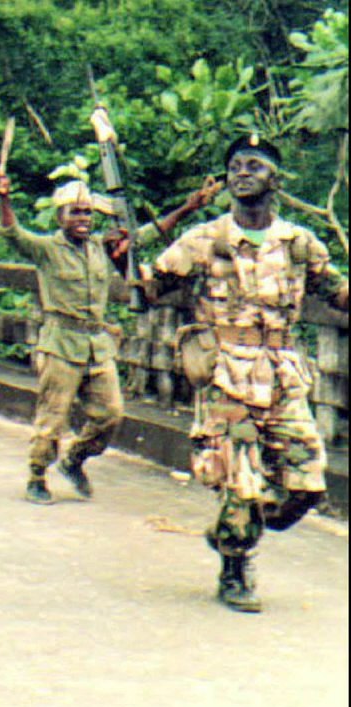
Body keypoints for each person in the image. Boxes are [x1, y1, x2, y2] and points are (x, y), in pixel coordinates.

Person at [143, 135, 347, 612]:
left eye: (254, 165)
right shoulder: (206, 239)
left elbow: (336, 292)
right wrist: (129, 265)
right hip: (226, 373)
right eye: (235, 165)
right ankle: (236, 567)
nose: (242, 172)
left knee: (307, 481)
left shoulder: (298, 241)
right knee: (241, 477)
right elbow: (152, 288)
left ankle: (231, 531)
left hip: (281, 372)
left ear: (274, 179)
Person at [0, 171, 215, 505]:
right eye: (74, 212)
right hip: (61, 344)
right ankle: (37, 475)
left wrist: (189, 206)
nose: (82, 219)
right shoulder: (47, 249)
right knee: (52, 418)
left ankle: (75, 458)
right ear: (60, 216)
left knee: (111, 414)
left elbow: (149, 234)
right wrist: (4, 198)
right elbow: (13, 232)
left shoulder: (101, 248)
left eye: (87, 213)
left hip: (97, 345)